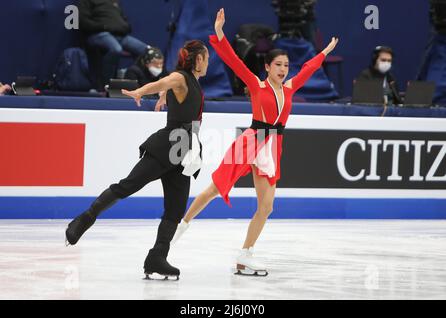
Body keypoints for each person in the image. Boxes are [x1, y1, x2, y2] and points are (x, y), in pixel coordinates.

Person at [172, 8, 338, 276]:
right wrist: (219, 33)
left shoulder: (290, 88)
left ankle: (245, 255)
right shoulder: (256, 84)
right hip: (253, 139)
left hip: (272, 146)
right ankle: (181, 225)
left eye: (286, 65)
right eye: (278, 65)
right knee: (216, 188)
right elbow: (233, 60)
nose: (283, 69)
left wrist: (324, 53)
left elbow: (308, 69)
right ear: (267, 67)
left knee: (267, 206)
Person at [65, 39, 209, 280]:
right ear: (198, 59)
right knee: (128, 185)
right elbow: (165, 82)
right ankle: (85, 219)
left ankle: (157, 257)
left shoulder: (191, 82)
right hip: (168, 146)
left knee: (175, 211)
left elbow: (169, 89)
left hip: (185, 151)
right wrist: (142, 91)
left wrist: (164, 95)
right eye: (207, 58)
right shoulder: (181, 77)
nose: (208, 62)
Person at [78, 0, 148, 84]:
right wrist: (103, 27)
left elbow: (122, 19)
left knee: (146, 51)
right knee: (116, 49)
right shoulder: (86, 1)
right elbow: (83, 22)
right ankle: (106, 84)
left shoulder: (113, 1)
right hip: (98, 34)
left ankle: (134, 79)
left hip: (120, 36)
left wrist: (125, 27)